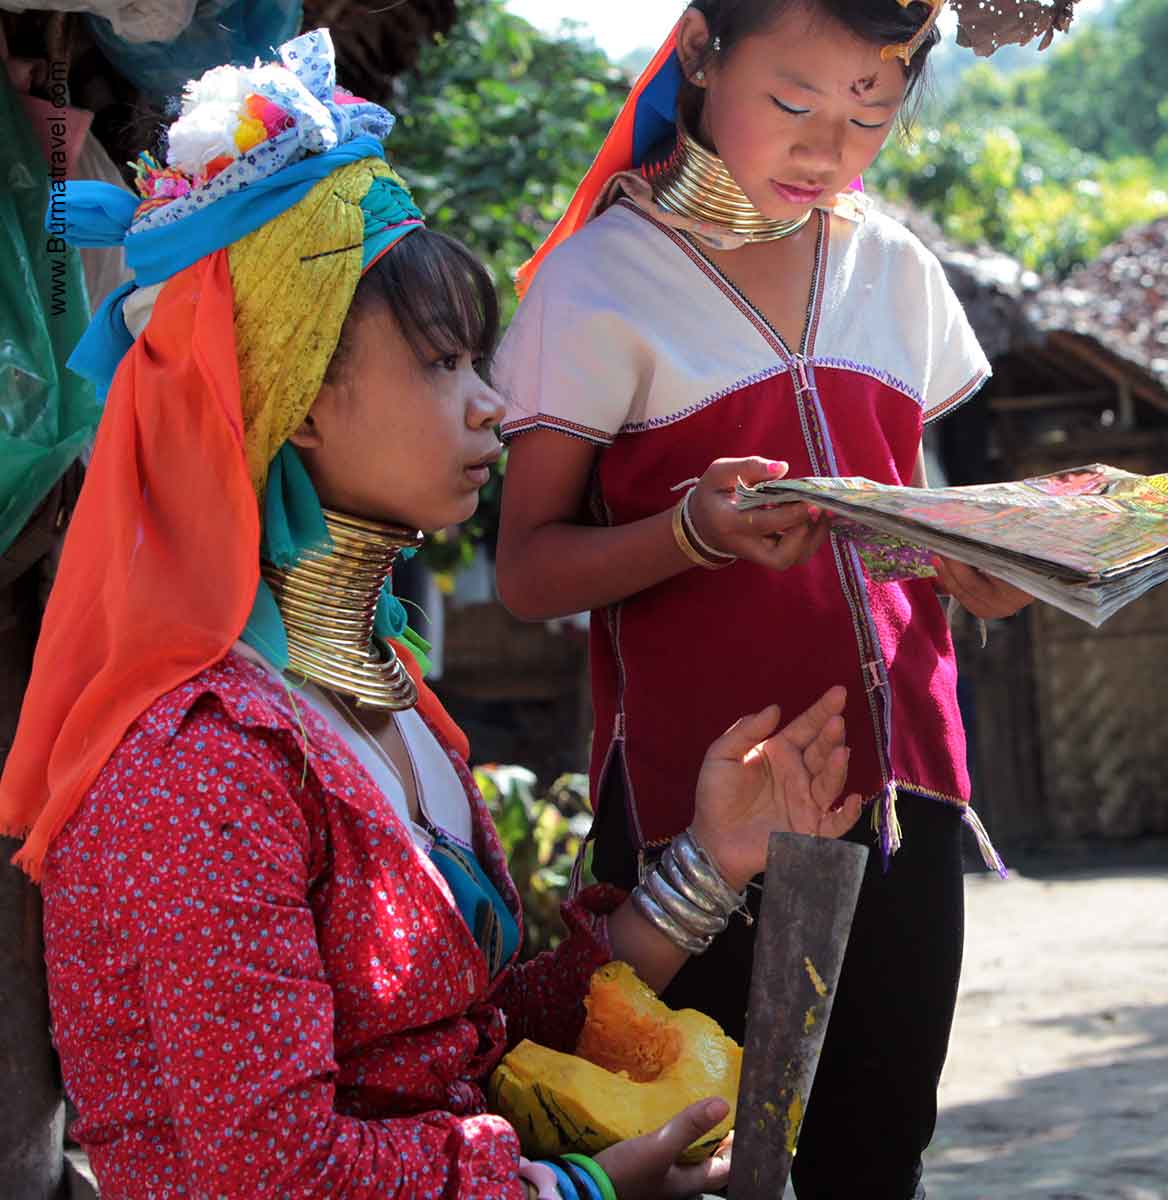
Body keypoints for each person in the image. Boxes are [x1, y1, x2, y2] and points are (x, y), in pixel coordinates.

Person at [0, 31, 861, 1199]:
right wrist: (582, 1192)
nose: (494, 408)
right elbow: (274, 1173)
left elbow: (476, 1036)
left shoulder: (383, 698)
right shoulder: (201, 766)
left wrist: (712, 861)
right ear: (298, 393)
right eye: (447, 364)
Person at [491, 2, 1035, 1194]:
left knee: (877, 1152)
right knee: (697, 1150)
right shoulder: (597, 282)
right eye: (793, 103)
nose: (829, 148)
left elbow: (911, 516)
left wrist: (983, 569)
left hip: (901, 793)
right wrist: (692, 531)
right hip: (705, 806)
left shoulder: (893, 265)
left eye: (870, 111)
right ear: (698, 51)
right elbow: (525, 568)